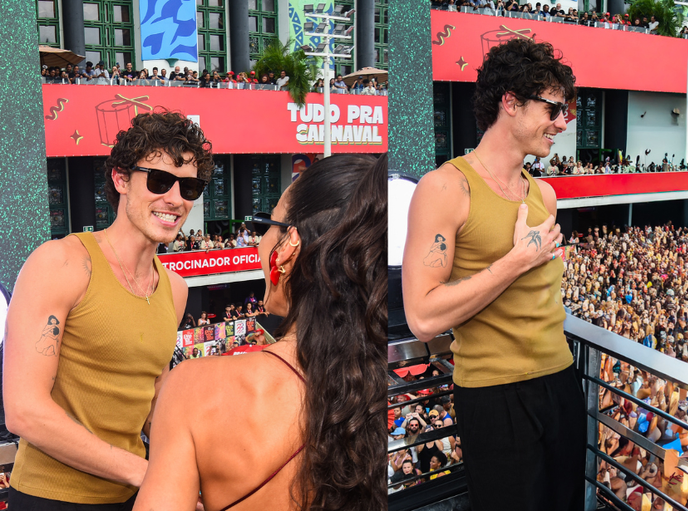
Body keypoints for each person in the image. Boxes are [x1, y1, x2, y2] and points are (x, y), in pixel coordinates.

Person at [134, 154, 387, 510]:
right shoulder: (389, 372)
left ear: (289, 247)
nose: (260, 240)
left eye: (267, 224)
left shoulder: (193, 388)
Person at [402, 39, 585, 511]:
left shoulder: (545, 194)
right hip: (493, 393)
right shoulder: (445, 187)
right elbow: (422, 317)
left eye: (566, 111)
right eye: (553, 109)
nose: (563, 123)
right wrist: (516, 260)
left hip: (562, 381)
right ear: (511, 102)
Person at [3, 111, 214, 508]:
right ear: (120, 179)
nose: (175, 199)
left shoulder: (175, 288)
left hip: (135, 495)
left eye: (189, 187)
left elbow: (153, 404)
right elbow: (24, 411)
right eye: (159, 180)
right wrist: (146, 472)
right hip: (50, 497)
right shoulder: (62, 263)